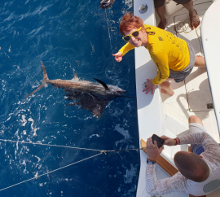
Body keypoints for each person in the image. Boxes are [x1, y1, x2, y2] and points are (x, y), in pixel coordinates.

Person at [113, 12, 205, 96]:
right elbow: (133, 42)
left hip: (181, 68)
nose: (132, 39)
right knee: (194, 60)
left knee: (159, 76)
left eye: (135, 34)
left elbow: (164, 75)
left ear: (142, 30)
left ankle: (169, 91)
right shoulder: (147, 28)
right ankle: (208, 63)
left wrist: (153, 83)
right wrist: (122, 51)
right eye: (127, 38)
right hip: (186, 48)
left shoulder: (156, 51)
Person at [145, 115, 220, 196]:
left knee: (193, 118)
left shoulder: (183, 183)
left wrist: (151, 159)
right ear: (200, 157)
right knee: (195, 120)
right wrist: (175, 141)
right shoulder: (216, 154)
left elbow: (152, 190)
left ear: (185, 177)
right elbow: (203, 135)